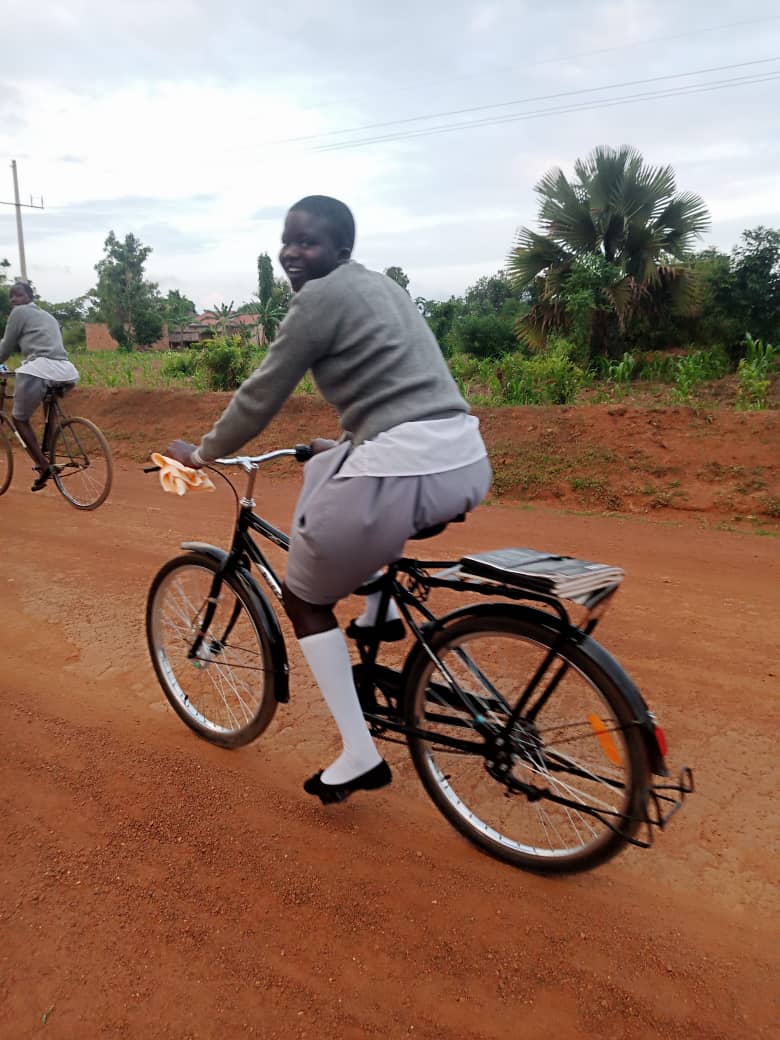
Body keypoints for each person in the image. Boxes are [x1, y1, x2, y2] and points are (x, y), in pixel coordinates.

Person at [166, 195, 492, 805]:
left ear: (341, 249)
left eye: (308, 242)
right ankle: (378, 611)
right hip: (463, 459)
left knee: (303, 597)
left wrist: (203, 454)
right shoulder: (382, 286)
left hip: (405, 470)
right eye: (287, 240)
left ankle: (359, 753)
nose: (292, 252)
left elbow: (261, 394)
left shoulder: (316, 300)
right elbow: (397, 383)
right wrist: (342, 442)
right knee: (331, 470)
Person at [0, 282, 80, 490]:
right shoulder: (48, 316)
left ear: (29, 297)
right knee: (48, 403)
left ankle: (43, 466)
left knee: (19, 418)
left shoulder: (19, 313)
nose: (13, 300)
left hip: (40, 368)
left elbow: (5, 348)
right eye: (11, 296)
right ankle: (49, 452)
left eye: (17, 295)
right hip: (66, 371)